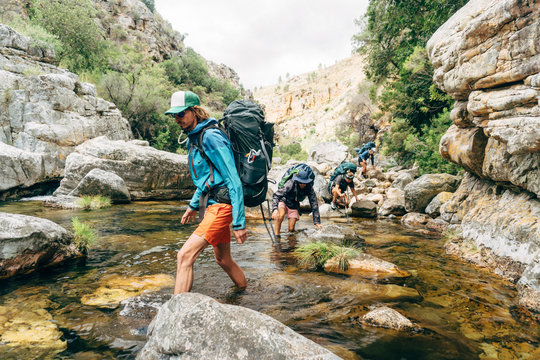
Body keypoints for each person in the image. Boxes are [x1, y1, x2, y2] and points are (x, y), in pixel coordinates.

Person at [165, 90, 247, 294]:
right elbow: (206, 180)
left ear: (195, 111)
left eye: (181, 114)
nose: (177, 119)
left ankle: (176, 316)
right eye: (173, 115)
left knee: (184, 256)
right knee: (223, 259)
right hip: (210, 203)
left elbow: (233, 179)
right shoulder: (195, 138)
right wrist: (193, 205)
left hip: (221, 205)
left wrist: (239, 222)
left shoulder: (210, 136)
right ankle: (245, 293)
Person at [271, 169, 322, 236]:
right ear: (298, 180)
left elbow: (314, 203)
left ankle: (291, 239)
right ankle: (276, 236)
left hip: (294, 204)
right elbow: (277, 195)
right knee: (281, 215)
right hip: (283, 200)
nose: (303, 184)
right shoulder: (290, 183)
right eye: (301, 182)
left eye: (305, 182)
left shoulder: (309, 187)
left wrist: (317, 222)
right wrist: (274, 209)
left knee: (291, 229)